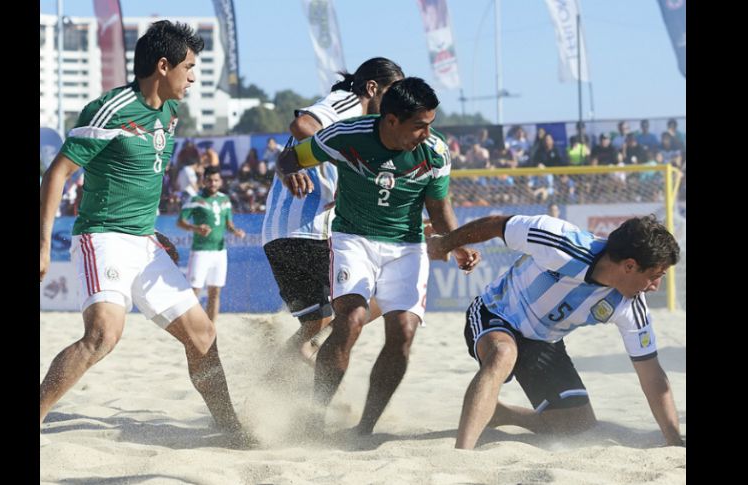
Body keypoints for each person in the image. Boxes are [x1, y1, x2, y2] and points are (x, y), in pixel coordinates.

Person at [39, 21, 253, 446]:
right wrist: (43, 244)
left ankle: (232, 430)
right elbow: (58, 172)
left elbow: (139, 178)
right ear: (162, 65)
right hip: (102, 236)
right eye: (189, 68)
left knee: (203, 335)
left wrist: (151, 231)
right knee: (103, 336)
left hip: (144, 241)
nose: (192, 78)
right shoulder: (112, 108)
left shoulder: (171, 112)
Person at [277, 77, 481, 435]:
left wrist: (456, 242)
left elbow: (438, 206)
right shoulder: (344, 137)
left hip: (407, 246)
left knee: (403, 332)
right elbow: (290, 156)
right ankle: (314, 415)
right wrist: (289, 172)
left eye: (430, 123)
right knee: (351, 319)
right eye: (420, 125)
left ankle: (365, 429)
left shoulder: (434, 151)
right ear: (391, 121)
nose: (427, 132)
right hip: (353, 239)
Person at [426, 214, 684, 449]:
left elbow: (652, 374)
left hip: (542, 342)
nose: (655, 286)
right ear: (629, 266)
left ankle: (499, 413)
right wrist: (445, 243)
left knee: (577, 427)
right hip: (496, 313)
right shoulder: (560, 242)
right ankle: (462, 453)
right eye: (654, 276)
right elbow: (496, 225)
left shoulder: (630, 305)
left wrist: (674, 441)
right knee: (503, 353)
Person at [262, 57, 405, 366]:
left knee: (314, 324)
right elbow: (303, 125)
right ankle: (318, 367)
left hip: (279, 235)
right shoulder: (350, 103)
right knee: (388, 289)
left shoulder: (370, 130)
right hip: (309, 231)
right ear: (371, 88)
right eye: (392, 92)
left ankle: (270, 385)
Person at [177, 166, 246, 324]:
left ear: (220, 181)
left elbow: (229, 224)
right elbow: (180, 222)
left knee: (215, 292)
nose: (213, 183)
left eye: (216, 180)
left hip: (220, 252)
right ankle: (190, 326)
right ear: (203, 181)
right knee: (194, 291)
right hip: (201, 251)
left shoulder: (225, 200)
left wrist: (235, 231)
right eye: (209, 180)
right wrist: (196, 228)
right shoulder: (195, 200)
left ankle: (210, 328)